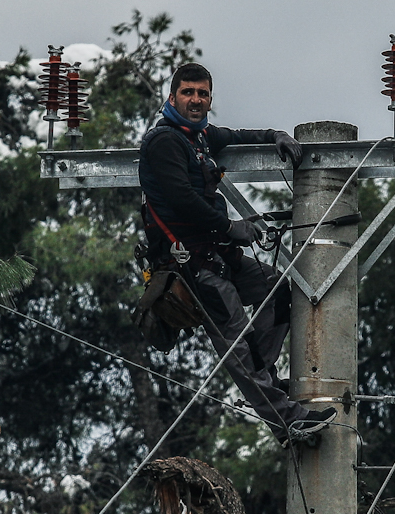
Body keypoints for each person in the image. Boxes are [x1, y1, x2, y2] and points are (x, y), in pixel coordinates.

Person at [138, 63, 335, 447]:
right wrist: (232, 228)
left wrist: (273, 135)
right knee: (236, 345)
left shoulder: (198, 136)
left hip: (218, 256)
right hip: (192, 266)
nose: (196, 100)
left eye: (203, 93)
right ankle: (288, 420)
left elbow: (236, 134)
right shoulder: (165, 141)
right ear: (172, 95)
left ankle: (263, 384)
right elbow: (182, 199)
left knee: (279, 292)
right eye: (188, 92)